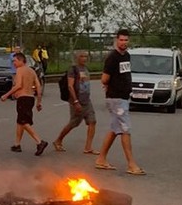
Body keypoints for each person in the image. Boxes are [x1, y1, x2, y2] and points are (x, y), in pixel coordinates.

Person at [95, 29, 145, 175]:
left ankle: (101, 159)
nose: (124, 42)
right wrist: (111, 85)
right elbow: (104, 79)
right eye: (121, 40)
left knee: (114, 129)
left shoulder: (127, 56)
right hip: (116, 99)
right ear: (116, 40)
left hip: (123, 98)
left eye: (126, 40)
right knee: (125, 130)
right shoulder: (112, 58)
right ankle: (131, 164)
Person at [1, 52, 49, 156]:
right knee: (20, 122)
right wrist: (38, 102)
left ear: (21, 60)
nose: (13, 63)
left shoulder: (19, 70)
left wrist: (6, 95)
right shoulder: (32, 71)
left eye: (15, 61)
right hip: (30, 98)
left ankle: (39, 142)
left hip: (23, 99)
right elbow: (38, 87)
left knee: (24, 122)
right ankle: (17, 145)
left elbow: (18, 85)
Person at [52, 50, 97, 153]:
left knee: (92, 121)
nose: (84, 58)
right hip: (76, 101)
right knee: (73, 123)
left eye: (86, 56)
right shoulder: (73, 69)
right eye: (82, 56)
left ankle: (88, 147)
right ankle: (58, 140)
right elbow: (70, 86)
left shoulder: (85, 68)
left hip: (87, 100)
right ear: (77, 58)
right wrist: (75, 101)